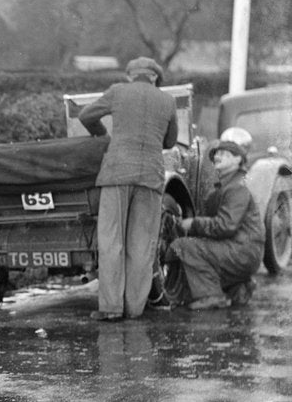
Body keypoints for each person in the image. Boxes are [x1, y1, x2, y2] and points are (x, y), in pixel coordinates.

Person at [79, 56, 179, 322]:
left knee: (112, 241)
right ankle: (134, 309)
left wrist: (103, 135)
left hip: (117, 172)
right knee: (142, 245)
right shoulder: (168, 101)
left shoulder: (118, 91)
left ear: (131, 75)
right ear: (155, 77)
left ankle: (111, 308)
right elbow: (169, 141)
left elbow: (85, 115)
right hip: (151, 176)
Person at [165, 139, 264, 310]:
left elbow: (226, 226)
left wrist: (193, 224)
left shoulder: (236, 188)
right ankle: (238, 287)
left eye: (225, 154)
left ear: (238, 160)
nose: (218, 156)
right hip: (242, 251)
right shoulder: (224, 188)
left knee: (184, 247)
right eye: (217, 154)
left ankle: (211, 295)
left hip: (242, 252)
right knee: (197, 247)